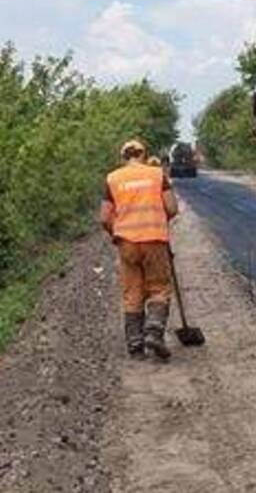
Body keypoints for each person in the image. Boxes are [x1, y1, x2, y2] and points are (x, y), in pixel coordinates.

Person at [99, 139, 181, 360]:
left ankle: (135, 346)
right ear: (144, 155)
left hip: (126, 243)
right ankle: (153, 332)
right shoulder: (157, 175)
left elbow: (104, 217)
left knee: (132, 292)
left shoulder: (113, 178)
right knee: (159, 288)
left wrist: (115, 233)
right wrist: (159, 220)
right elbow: (172, 208)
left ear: (123, 157)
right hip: (154, 239)